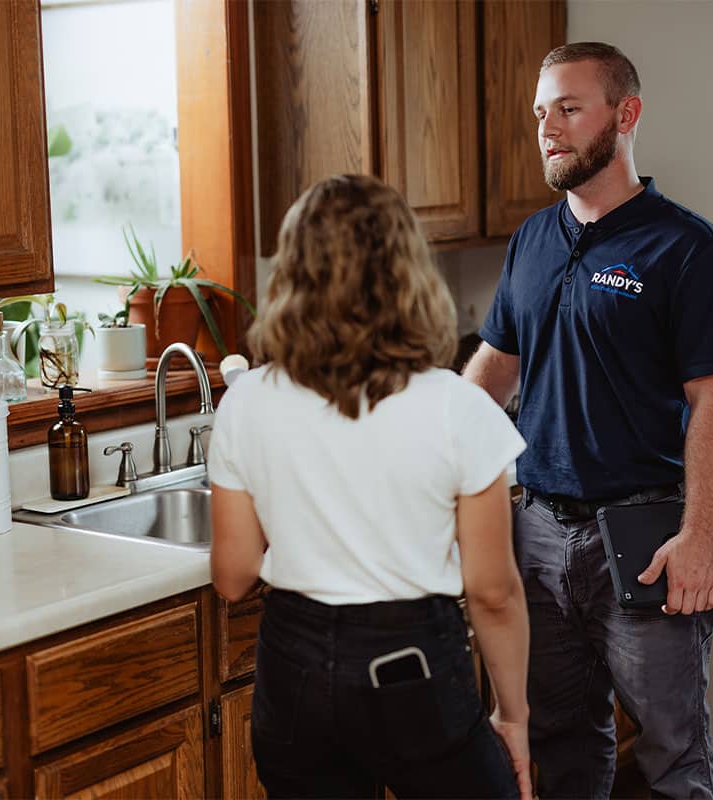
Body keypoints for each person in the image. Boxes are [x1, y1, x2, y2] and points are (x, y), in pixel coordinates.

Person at [464, 42, 713, 799]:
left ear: (626, 115)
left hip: (647, 538)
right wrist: (421, 452)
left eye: (568, 107)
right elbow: (493, 368)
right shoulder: (531, 239)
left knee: (673, 756)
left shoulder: (688, 249)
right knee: (558, 744)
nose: (547, 128)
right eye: (538, 113)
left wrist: (700, 536)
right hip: (537, 533)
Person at [209, 174, 532, 799]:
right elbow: (493, 592)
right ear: (408, 274)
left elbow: (233, 575)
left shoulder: (246, 402)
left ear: (292, 277)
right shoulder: (456, 407)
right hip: (413, 669)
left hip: (292, 674)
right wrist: (512, 718)